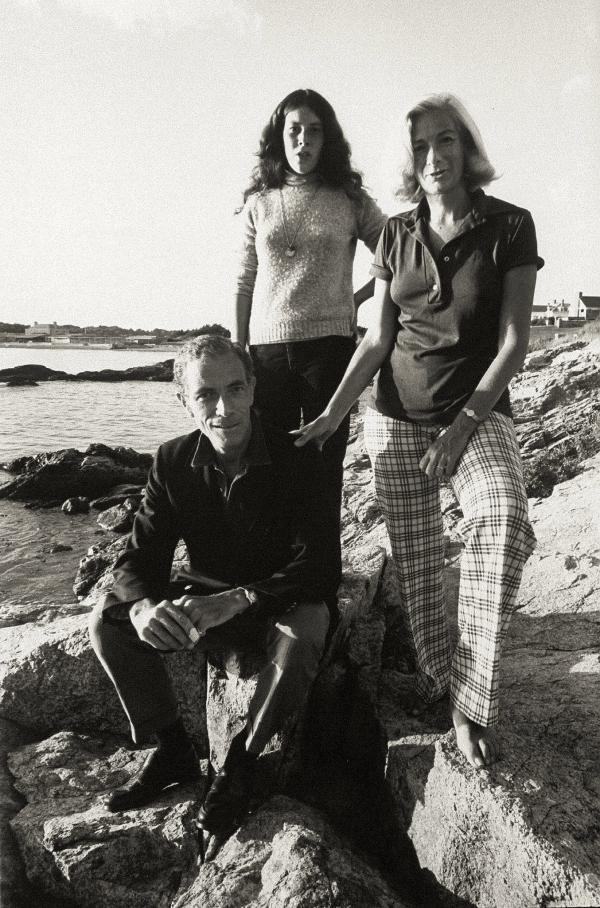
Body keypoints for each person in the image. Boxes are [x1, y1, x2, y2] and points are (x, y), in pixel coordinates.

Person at [293, 93, 543, 769]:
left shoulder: (510, 226)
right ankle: (445, 676)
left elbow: (515, 342)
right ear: (412, 161)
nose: (434, 157)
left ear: (466, 148)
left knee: (503, 517)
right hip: (395, 418)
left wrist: (463, 427)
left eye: (446, 142)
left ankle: (469, 699)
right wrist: (333, 413)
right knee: (422, 571)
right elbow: (376, 341)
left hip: (476, 412)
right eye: (421, 147)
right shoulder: (396, 236)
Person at [89, 334, 339, 843]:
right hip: (204, 592)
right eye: (205, 394)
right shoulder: (173, 460)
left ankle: (242, 762)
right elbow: (140, 556)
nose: (223, 408)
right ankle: (172, 746)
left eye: (235, 389)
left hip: (275, 594)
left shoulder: (300, 456)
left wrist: (237, 599)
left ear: (253, 389)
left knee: (306, 632)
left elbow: (319, 566)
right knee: (107, 620)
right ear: (184, 400)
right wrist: (141, 609)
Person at [233, 88, 386, 576]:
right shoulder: (260, 202)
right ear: (281, 137)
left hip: (330, 349)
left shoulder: (349, 199)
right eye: (294, 130)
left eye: (313, 130)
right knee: (268, 465)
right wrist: (240, 349)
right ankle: (273, 578)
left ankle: (320, 583)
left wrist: (358, 299)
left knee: (322, 466)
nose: (303, 140)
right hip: (267, 351)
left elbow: (396, 251)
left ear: (327, 138)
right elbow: (244, 279)